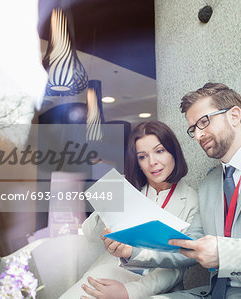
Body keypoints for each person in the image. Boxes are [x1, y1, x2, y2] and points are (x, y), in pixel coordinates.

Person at [101, 83, 241, 298]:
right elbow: (187, 244)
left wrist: (224, 253)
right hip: (217, 293)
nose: (199, 135)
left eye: (204, 122)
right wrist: (133, 252)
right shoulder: (210, 183)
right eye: (193, 129)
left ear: (234, 116)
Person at [60, 120, 199, 299]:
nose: (152, 162)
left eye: (159, 151)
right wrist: (107, 209)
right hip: (113, 270)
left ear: (173, 152)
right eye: (142, 156)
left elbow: (178, 265)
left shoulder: (191, 200)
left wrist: (129, 292)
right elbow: (89, 235)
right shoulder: (129, 188)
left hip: (152, 286)